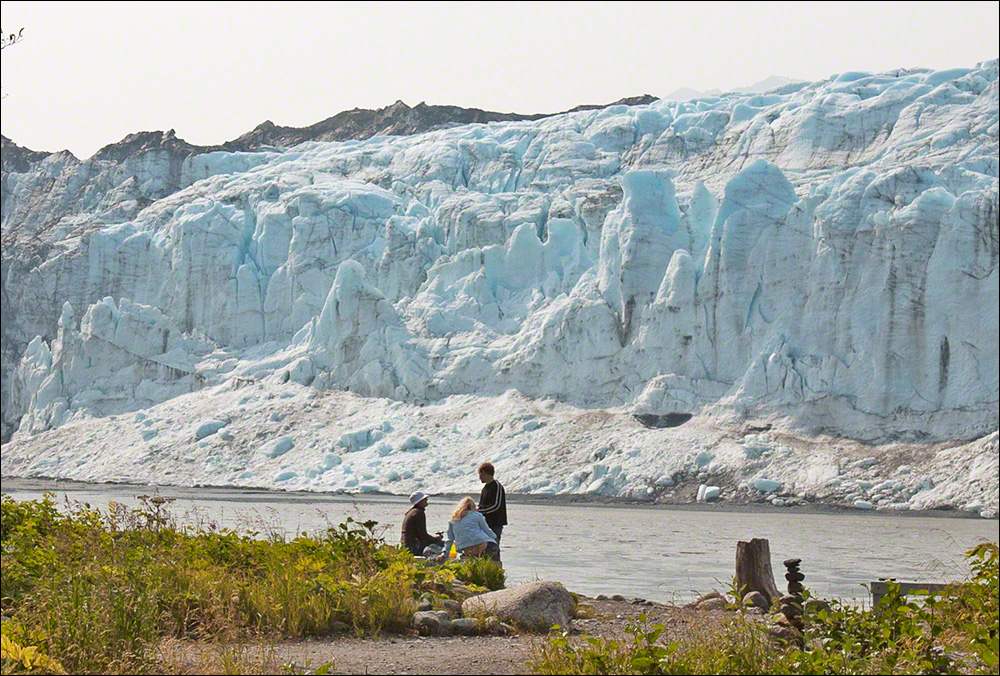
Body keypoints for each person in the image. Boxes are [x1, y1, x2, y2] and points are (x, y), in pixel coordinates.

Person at [435, 497, 499, 562]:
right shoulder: (477, 515)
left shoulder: (453, 519)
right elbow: (487, 530)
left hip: (467, 550)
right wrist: (495, 537)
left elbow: (450, 539)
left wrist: (444, 554)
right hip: (482, 546)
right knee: (493, 548)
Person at [401, 491, 443, 557]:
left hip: (406, 545)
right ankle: (435, 562)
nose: (426, 500)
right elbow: (423, 535)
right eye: (424, 499)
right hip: (413, 546)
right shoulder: (419, 513)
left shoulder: (412, 512)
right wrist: (437, 538)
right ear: (419, 501)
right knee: (442, 544)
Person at [477, 462, 507, 544]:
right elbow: (482, 505)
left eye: (480, 474)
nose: (479, 477)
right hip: (485, 524)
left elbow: (496, 505)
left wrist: (480, 510)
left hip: (495, 524)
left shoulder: (497, 486)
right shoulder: (485, 488)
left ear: (483, 472)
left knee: (493, 547)